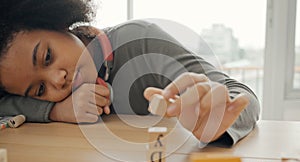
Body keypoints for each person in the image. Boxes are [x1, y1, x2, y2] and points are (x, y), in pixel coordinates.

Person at [0, 0, 260, 146]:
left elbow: (243, 95)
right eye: (39, 90)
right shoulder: (55, 100)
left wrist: (214, 121)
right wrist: (54, 111)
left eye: (47, 56)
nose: (57, 80)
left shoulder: (140, 40)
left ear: (59, 24)